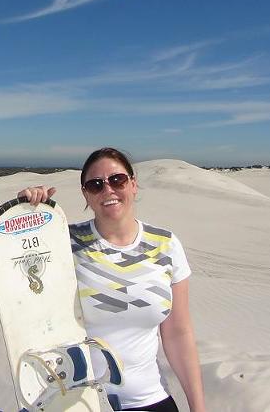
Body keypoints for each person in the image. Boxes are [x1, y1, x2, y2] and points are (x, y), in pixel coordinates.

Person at [19, 147, 206, 412]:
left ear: (133, 184)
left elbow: (178, 334)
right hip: (82, 403)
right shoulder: (63, 242)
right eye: (95, 185)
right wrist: (26, 212)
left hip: (152, 401)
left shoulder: (165, 245)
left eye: (117, 180)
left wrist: (198, 407)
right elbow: (21, 262)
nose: (108, 190)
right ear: (85, 194)